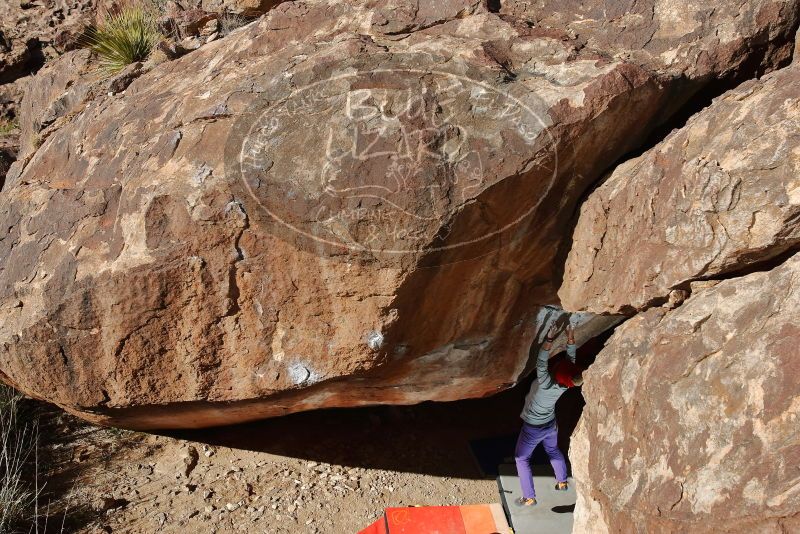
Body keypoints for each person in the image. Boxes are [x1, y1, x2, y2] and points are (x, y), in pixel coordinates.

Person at [514, 321, 583, 507]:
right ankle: (562, 482)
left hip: (534, 428)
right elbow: (572, 362)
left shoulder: (546, 383)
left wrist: (549, 338)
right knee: (552, 450)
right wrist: (570, 336)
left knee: (521, 459)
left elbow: (541, 361)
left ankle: (529, 497)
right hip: (551, 424)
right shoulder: (566, 385)